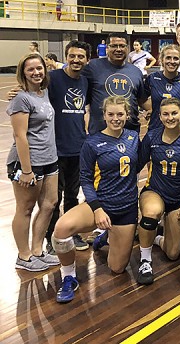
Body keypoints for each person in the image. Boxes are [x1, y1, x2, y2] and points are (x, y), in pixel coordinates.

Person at [52, 96, 140, 303]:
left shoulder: (134, 137)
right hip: (100, 204)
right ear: (104, 115)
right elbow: (85, 178)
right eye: (111, 114)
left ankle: (105, 238)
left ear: (127, 115)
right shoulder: (93, 142)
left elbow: (142, 160)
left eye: (120, 114)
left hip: (126, 208)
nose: (116, 118)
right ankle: (68, 277)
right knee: (62, 229)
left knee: (117, 269)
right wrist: (97, 208)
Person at [136, 98, 180, 285]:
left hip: (179, 198)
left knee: (173, 254)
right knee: (151, 213)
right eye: (165, 114)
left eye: (174, 113)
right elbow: (137, 165)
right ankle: (145, 260)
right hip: (155, 191)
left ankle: (155, 237)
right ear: (159, 116)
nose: (170, 117)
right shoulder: (151, 136)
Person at [7, 53, 59, 272]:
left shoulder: (43, 93)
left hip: (50, 159)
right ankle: (24, 255)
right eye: (31, 70)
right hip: (28, 163)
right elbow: (20, 136)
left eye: (39, 68)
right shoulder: (22, 99)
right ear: (23, 73)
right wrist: (27, 171)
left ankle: (37, 250)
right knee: (26, 208)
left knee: (49, 204)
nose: (36, 73)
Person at [45, 41, 92, 253]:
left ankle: (71, 232)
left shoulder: (84, 81)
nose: (76, 60)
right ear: (66, 56)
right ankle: (52, 238)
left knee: (73, 195)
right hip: (56, 148)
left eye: (80, 57)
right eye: (72, 56)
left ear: (87, 60)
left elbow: (86, 108)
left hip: (78, 147)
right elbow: (34, 93)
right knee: (54, 197)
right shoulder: (53, 79)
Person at [81, 32, 148, 134]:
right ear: (107, 48)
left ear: (127, 48)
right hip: (100, 134)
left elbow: (142, 100)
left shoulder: (136, 71)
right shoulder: (92, 67)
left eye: (122, 46)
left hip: (130, 134)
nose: (118, 49)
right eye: (114, 46)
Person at [144, 44, 180, 131]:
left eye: (176, 58)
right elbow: (141, 98)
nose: (172, 61)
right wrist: (151, 109)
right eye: (168, 58)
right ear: (162, 60)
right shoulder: (152, 78)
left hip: (177, 129)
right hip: (155, 127)